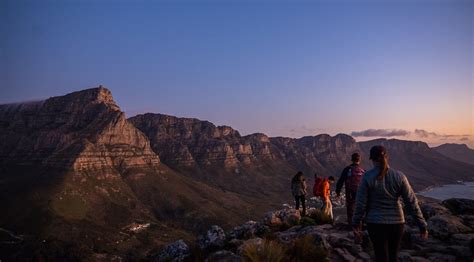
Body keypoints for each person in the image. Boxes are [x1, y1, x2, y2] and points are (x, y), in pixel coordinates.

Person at [352, 145, 428, 262]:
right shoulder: (400, 176)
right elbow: (411, 202)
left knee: (380, 255)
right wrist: (422, 226)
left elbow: (360, 203)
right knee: (393, 256)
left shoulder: (367, 177)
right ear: (386, 157)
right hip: (397, 222)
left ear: (372, 159)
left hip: (375, 222)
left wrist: (355, 223)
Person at [336, 153, 365, 224]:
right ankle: (360, 223)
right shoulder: (362, 170)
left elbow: (341, 181)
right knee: (360, 207)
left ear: (351, 160)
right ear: (359, 160)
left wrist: (338, 192)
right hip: (360, 192)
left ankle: (351, 223)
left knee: (350, 207)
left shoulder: (347, 169)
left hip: (350, 191)